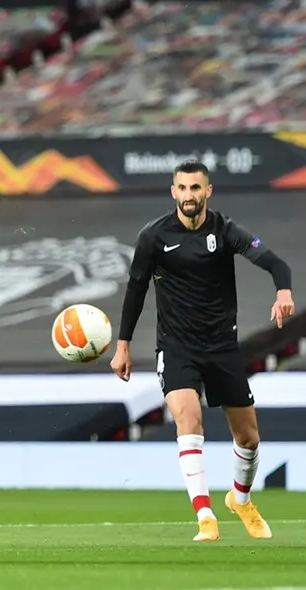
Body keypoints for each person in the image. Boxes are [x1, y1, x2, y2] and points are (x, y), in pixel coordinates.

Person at [111, 159, 294, 542]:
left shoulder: (224, 230)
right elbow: (135, 290)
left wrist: (283, 290)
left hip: (222, 346)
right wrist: (123, 345)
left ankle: (240, 500)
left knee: (248, 438)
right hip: (177, 348)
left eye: (197, 188)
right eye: (183, 188)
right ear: (173, 192)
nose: (189, 195)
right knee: (188, 418)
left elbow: (274, 261)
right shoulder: (153, 236)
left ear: (208, 191)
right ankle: (205, 516)